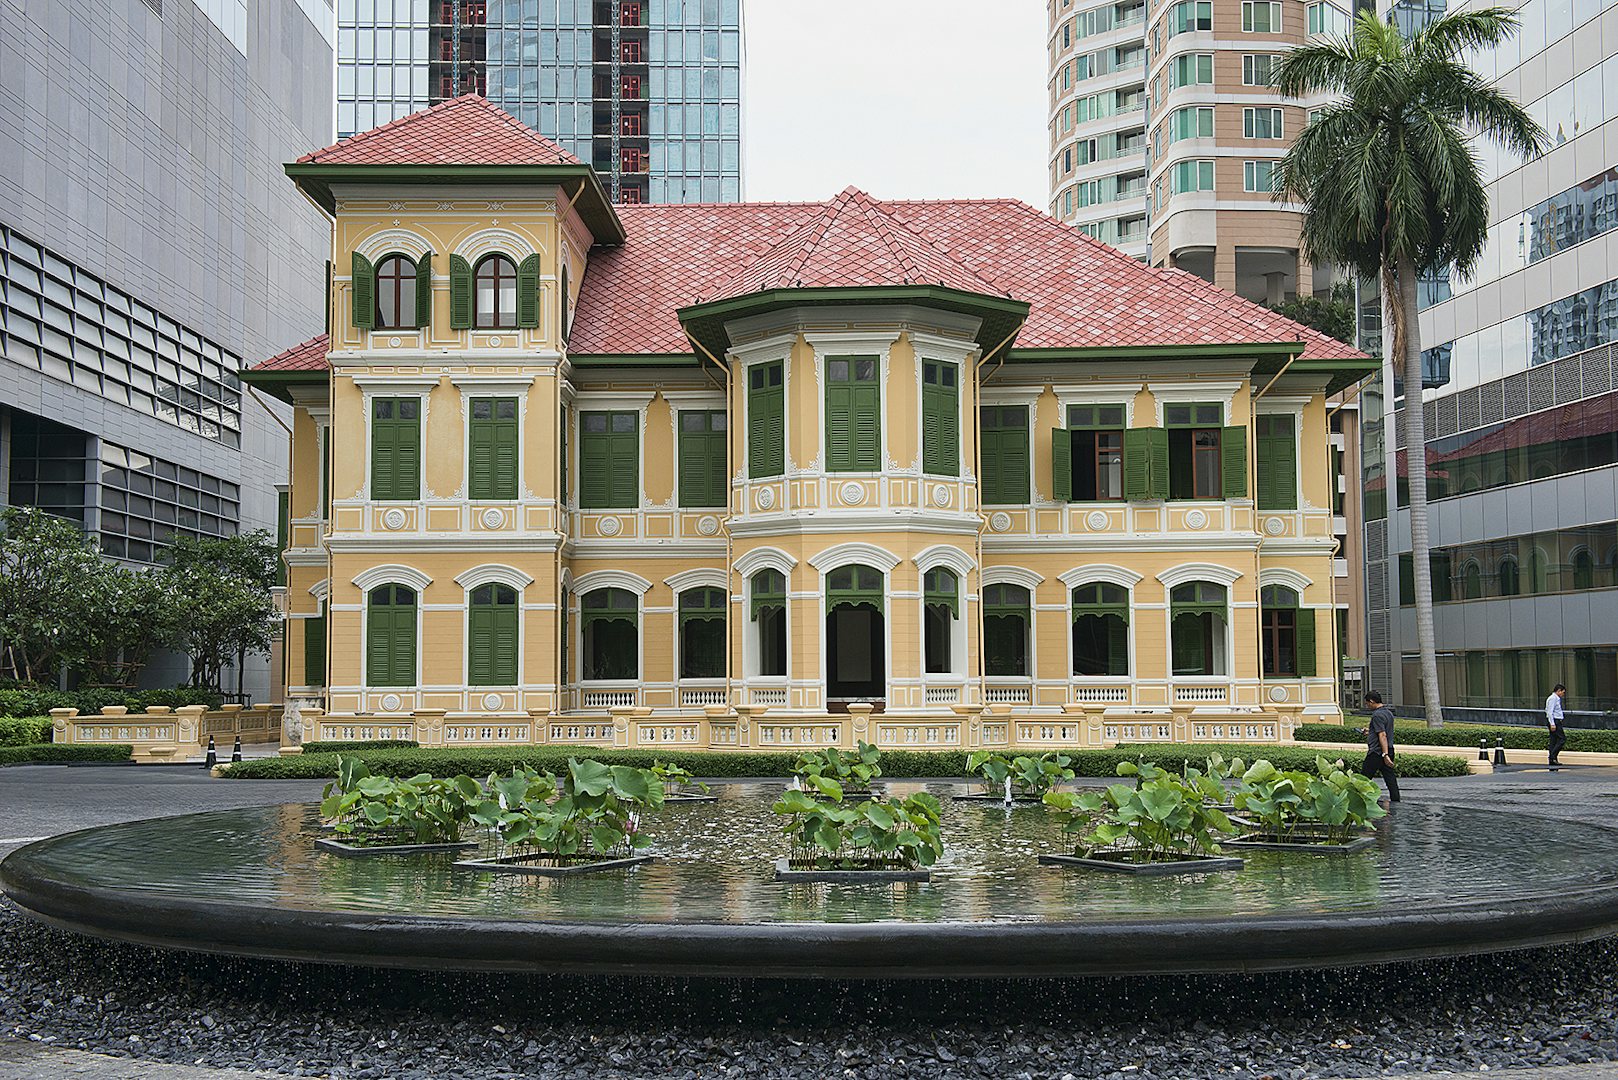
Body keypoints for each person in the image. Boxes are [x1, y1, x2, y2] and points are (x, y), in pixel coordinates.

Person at [1360, 691, 1400, 805]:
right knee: (1390, 779)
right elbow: (1382, 731)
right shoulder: (1388, 713)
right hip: (1389, 748)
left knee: (1363, 778)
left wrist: (1384, 754)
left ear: (1372, 701)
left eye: (1367, 704)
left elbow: (1382, 735)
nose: (1367, 706)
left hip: (1378, 752)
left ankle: (1358, 800)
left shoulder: (1377, 715)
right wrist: (1370, 732)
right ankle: (1396, 801)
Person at [1545, 683, 1567, 767]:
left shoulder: (1556, 698)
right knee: (1562, 739)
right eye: (1562, 692)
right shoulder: (1553, 699)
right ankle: (1552, 756)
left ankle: (1553, 759)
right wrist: (1552, 724)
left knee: (1553, 741)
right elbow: (1549, 712)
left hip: (1556, 721)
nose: (1563, 694)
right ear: (1558, 691)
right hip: (1555, 721)